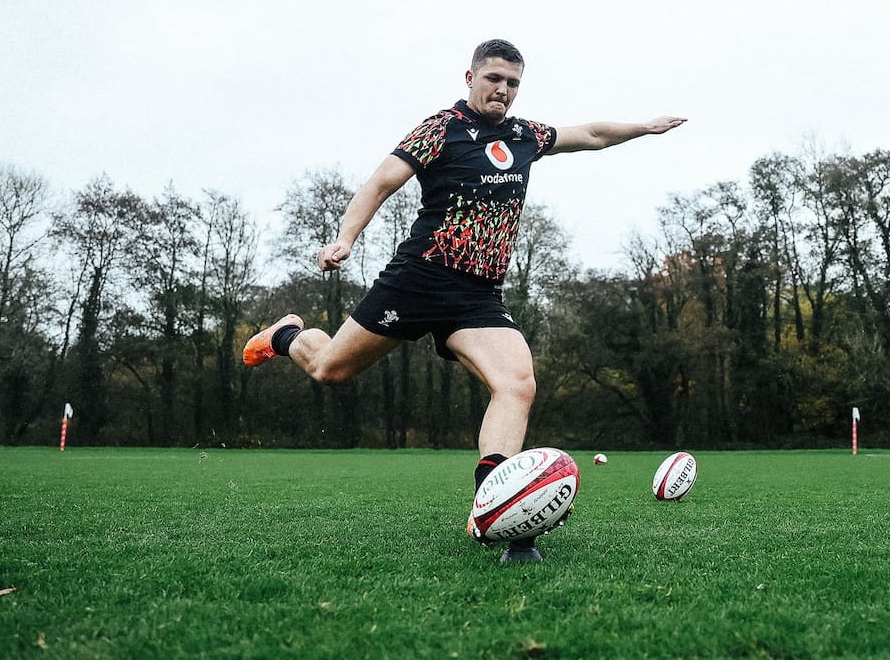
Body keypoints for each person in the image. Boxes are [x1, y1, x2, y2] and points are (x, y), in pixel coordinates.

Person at [244, 38, 687, 562]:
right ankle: (287, 335)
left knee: (517, 383)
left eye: (513, 83)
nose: (503, 90)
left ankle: (500, 512)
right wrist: (346, 238)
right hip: (419, 278)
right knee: (328, 370)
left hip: (478, 294)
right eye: (494, 79)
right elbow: (380, 183)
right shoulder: (441, 129)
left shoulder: (526, 136)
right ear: (471, 77)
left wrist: (645, 127)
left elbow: (589, 134)